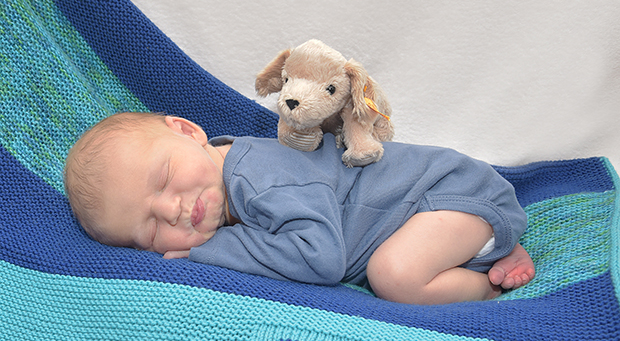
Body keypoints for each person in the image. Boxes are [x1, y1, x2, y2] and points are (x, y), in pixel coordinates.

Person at [64, 112, 535, 305]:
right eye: (150, 230)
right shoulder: (223, 188)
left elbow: (322, 257)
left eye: (164, 178)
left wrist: (214, 250)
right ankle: (486, 247)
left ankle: (486, 287)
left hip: (449, 191)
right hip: (434, 215)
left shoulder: (256, 177)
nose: (171, 210)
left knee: (394, 275)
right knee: (396, 261)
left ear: (188, 131)